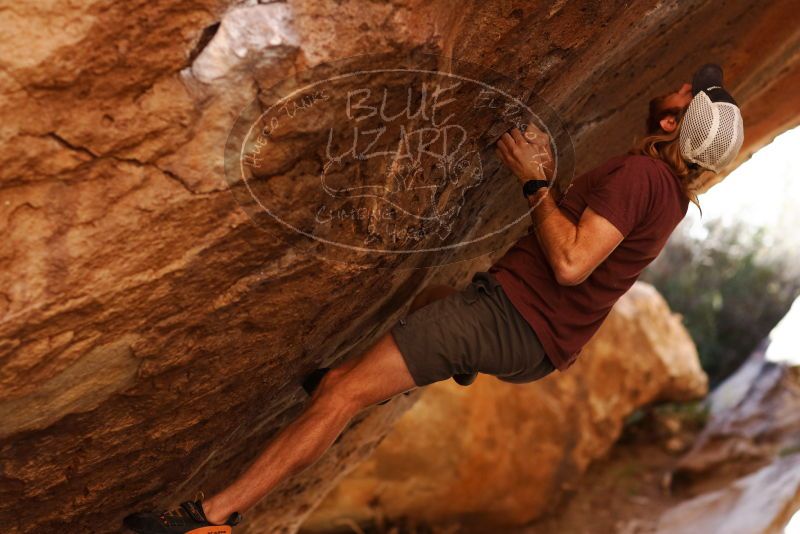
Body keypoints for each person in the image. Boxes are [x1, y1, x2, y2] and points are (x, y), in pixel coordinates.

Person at [123, 64, 743, 533]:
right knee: (439, 296)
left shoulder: (641, 178)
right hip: (525, 333)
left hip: (509, 319)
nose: (678, 87)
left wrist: (534, 179)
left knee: (341, 394)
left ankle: (212, 516)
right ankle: (407, 369)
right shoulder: (667, 196)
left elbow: (573, 262)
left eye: (688, 94)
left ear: (671, 124)